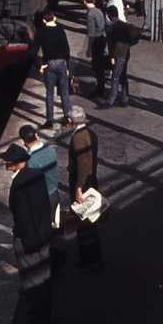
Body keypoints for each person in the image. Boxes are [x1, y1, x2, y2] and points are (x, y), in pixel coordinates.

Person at [0, 141, 53, 324]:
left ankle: (39, 315)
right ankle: (46, 310)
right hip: (44, 234)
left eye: (7, 161)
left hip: (28, 238)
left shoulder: (19, 184)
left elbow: (22, 215)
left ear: (16, 163)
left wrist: (20, 236)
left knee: (31, 278)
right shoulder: (36, 175)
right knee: (44, 275)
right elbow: (43, 205)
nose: (4, 163)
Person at [68, 104, 103, 271]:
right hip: (92, 181)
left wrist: (78, 188)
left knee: (84, 224)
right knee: (89, 222)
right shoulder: (91, 133)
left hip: (84, 185)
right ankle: (90, 258)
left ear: (70, 120)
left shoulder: (78, 138)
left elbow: (82, 165)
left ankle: (90, 260)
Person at [32, 7, 71, 128]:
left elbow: (32, 52)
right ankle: (67, 117)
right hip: (61, 63)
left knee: (50, 92)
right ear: (54, 17)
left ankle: (49, 120)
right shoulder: (60, 30)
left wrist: (39, 65)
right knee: (64, 91)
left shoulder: (41, 32)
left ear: (44, 20)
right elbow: (67, 49)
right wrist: (67, 65)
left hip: (49, 64)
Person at [19, 123, 60, 228]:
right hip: (54, 194)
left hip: (41, 200)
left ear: (22, 141)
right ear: (36, 135)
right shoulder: (49, 149)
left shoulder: (30, 161)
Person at [102, 3, 131, 106]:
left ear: (110, 15)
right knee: (123, 76)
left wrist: (113, 56)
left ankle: (110, 101)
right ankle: (124, 99)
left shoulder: (115, 27)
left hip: (119, 55)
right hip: (126, 53)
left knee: (115, 77)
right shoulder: (123, 25)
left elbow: (117, 44)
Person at [84, 0, 108, 99]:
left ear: (85, 2)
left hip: (96, 42)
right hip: (102, 39)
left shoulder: (90, 14)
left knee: (97, 65)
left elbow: (91, 33)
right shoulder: (98, 11)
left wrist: (89, 48)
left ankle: (100, 89)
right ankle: (100, 87)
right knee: (99, 65)